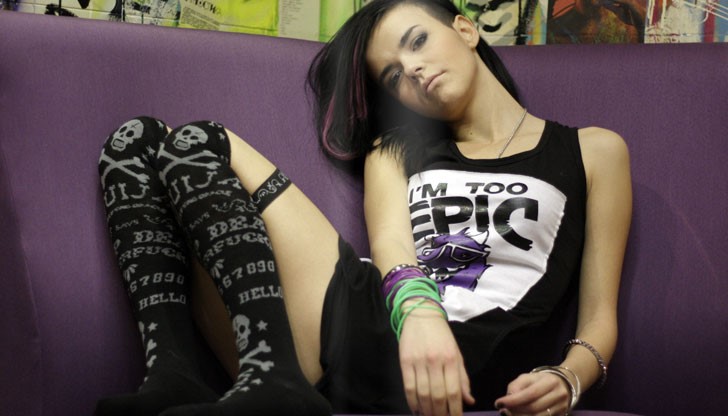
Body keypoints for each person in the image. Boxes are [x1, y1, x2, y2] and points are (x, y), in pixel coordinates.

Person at [95, 1, 631, 416]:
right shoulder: (394, 150)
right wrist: (420, 314)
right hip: (377, 321)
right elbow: (392, 245)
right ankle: (177, 372)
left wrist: (569, 378)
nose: (412, 69)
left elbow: (598, 316)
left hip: (465, 369)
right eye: (393, 76)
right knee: (140, 141)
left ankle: (275, 382)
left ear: (466, 30)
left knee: (195, 140)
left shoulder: (593, 151)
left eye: (418, 41)